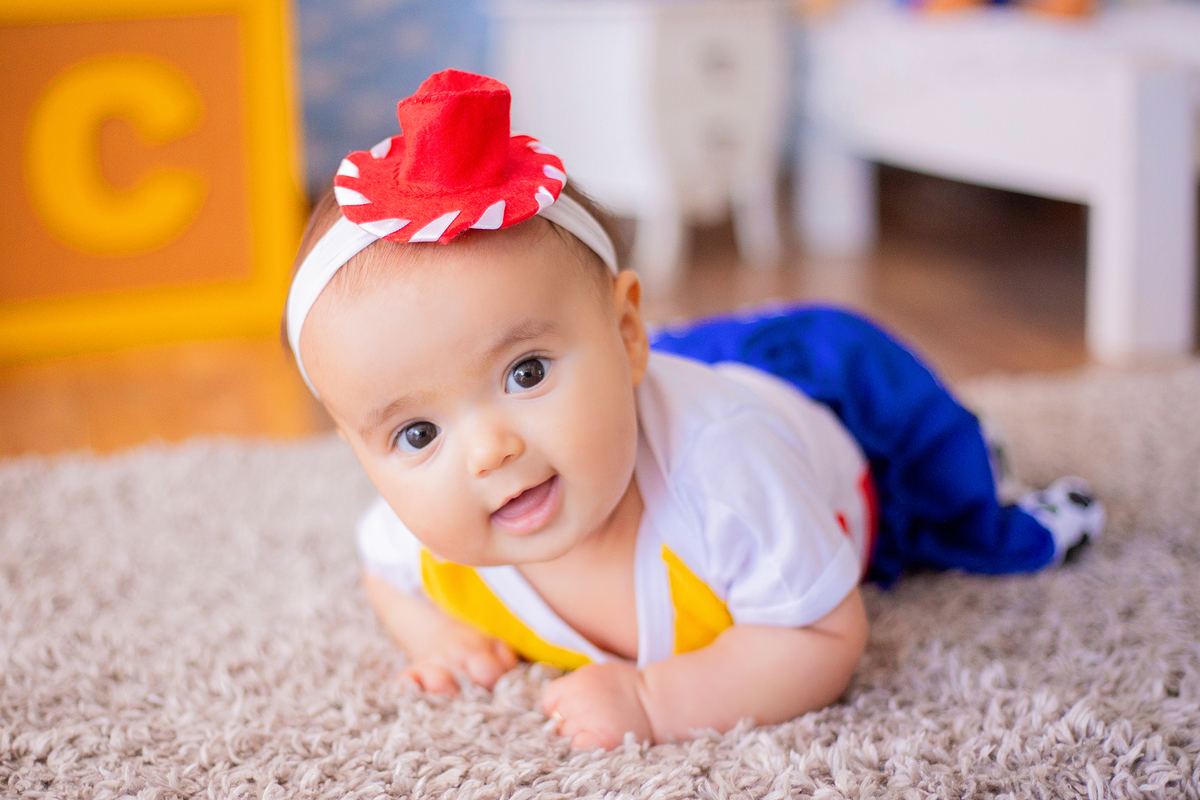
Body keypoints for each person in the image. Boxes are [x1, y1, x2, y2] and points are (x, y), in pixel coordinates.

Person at [285, 69, 1105, 750]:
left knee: (940, 457)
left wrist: (654, 700)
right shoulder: (425, 533)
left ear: (627, 335)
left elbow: (823, 636)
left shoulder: (727, 478)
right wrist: (439, 637)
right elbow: (380, 573)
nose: (488, 450)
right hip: (662, 380)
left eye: (526, 372)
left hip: (826, 416)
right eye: (417, 433)